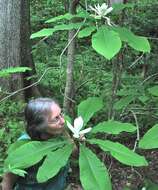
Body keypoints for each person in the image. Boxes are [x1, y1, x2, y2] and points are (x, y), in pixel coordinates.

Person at [1, 97, 70, 190]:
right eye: (56, 118)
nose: (63, 121)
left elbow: (74, 153)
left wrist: (79, 140)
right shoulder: (23, 147)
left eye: (61, 114)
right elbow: (8, 179)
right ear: (40, 125)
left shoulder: (61, 134)